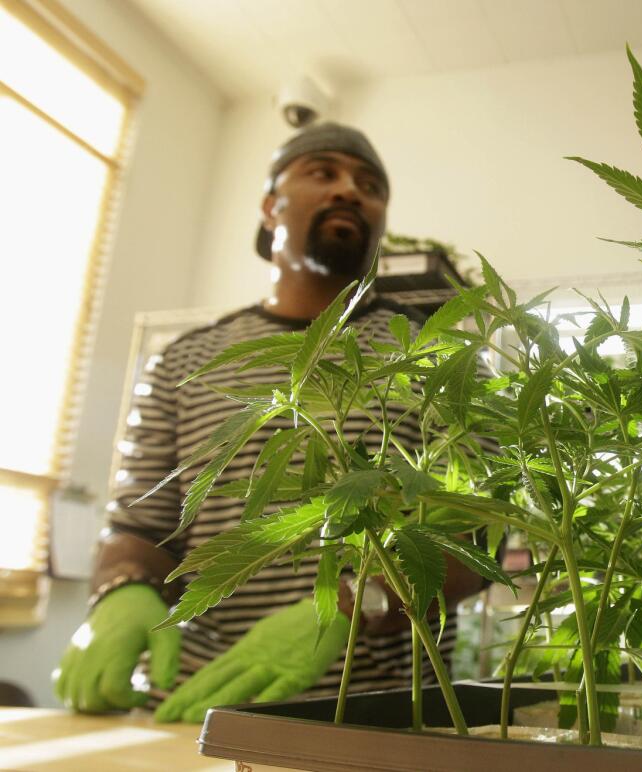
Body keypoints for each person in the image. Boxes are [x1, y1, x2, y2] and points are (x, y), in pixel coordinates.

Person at [53, 123, 485, 722]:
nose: (350, 191)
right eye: (322, 172)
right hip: (196, 704)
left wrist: (353, 605)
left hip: (375, 713)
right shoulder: (184, 360)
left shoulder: (438, 353)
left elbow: (476, 533)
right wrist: (120, 592)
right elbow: (140, 525)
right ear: (269, 205)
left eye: (369, 185)